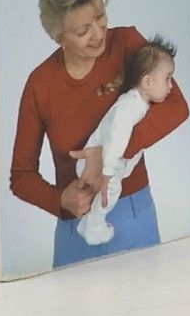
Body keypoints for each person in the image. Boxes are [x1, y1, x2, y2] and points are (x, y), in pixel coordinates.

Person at [9, 0, 188, 267]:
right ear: (59, 36)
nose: (98, 34)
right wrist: (59, 200)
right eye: (82, 30)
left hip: (133, 216)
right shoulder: (41, 84)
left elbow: (176, 107)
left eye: (101, 17)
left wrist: (108, 154)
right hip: (74, 229)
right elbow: (21, 175)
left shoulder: (127, 45)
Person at [68, 36, 179, 247]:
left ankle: (88, 223)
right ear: (147, 82)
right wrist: (108, 171)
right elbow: (116, 139)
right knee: (110, 193)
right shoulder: (129, 107)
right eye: (167, 78)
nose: (171, 85)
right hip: (99, 165)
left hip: (107, 164)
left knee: (106, 194)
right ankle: (93, 227)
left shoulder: (141, 103)